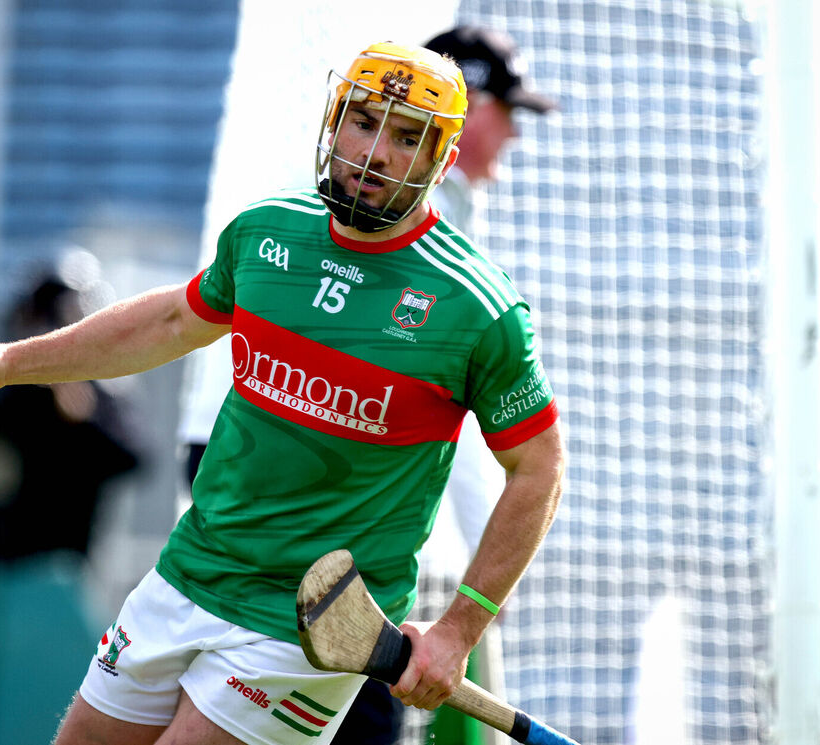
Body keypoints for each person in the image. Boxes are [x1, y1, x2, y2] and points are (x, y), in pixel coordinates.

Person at [0, 40, 564, 745]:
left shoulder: (478, 306)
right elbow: (172, 320)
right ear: (333, 124)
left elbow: (538, 467)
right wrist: (8, 361)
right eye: (363, 122)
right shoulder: (267, 232)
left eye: (408, 138)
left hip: (315, 620)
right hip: (189, 573)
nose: (375, 152)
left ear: (441, 161)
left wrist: (460, 627)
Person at [329, 26, 559, 745]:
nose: (514, 135)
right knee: (355, 718)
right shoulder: (417, 211)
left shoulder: (432, 208)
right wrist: (476, 583)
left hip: (323, 483)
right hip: (323, 489)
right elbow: (426, 399)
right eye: (508, 113)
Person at [0, 260, 144, 745]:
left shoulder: (98, 390)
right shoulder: (8, 383)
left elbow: (132, 457)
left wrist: (79, 413)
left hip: (61, 572)